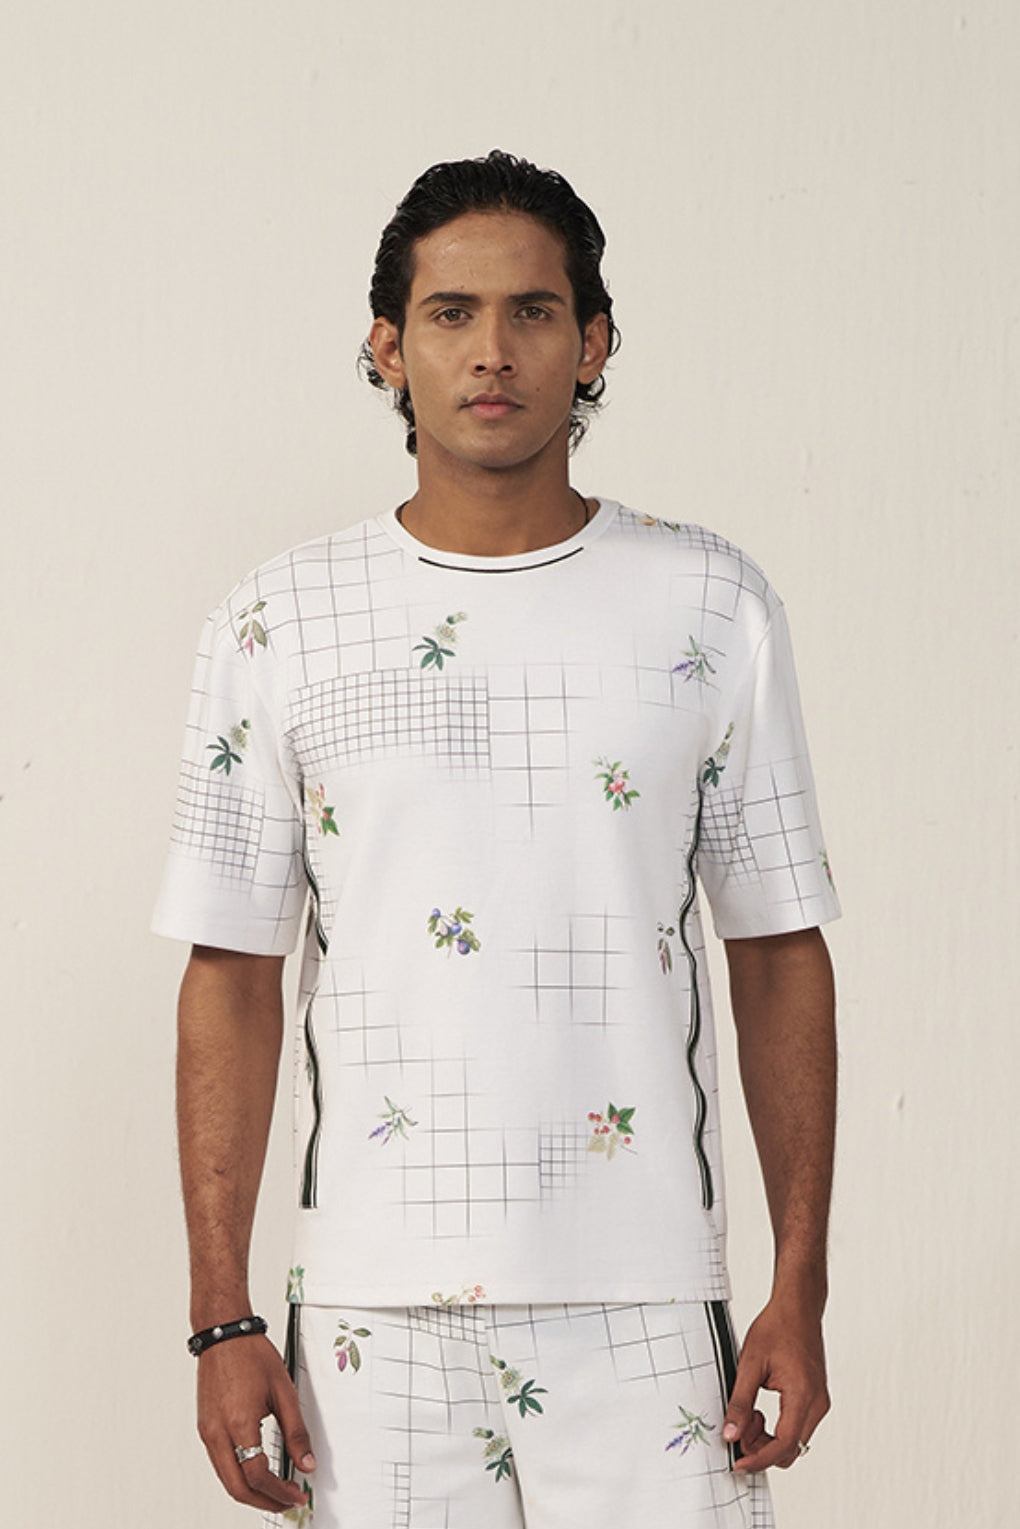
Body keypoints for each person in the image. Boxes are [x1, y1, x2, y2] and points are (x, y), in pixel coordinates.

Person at [153, 149, 840, 1529]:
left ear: (593, 343)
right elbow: (230, 971)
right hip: (373, 1318)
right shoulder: (279, 621)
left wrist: (799, 1286)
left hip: (649, 1304)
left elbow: (777, 949)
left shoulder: (710, 604)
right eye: (451, 313)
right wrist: (221, 1315)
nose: (492, 351)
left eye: (533, 311)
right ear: (387, 347)